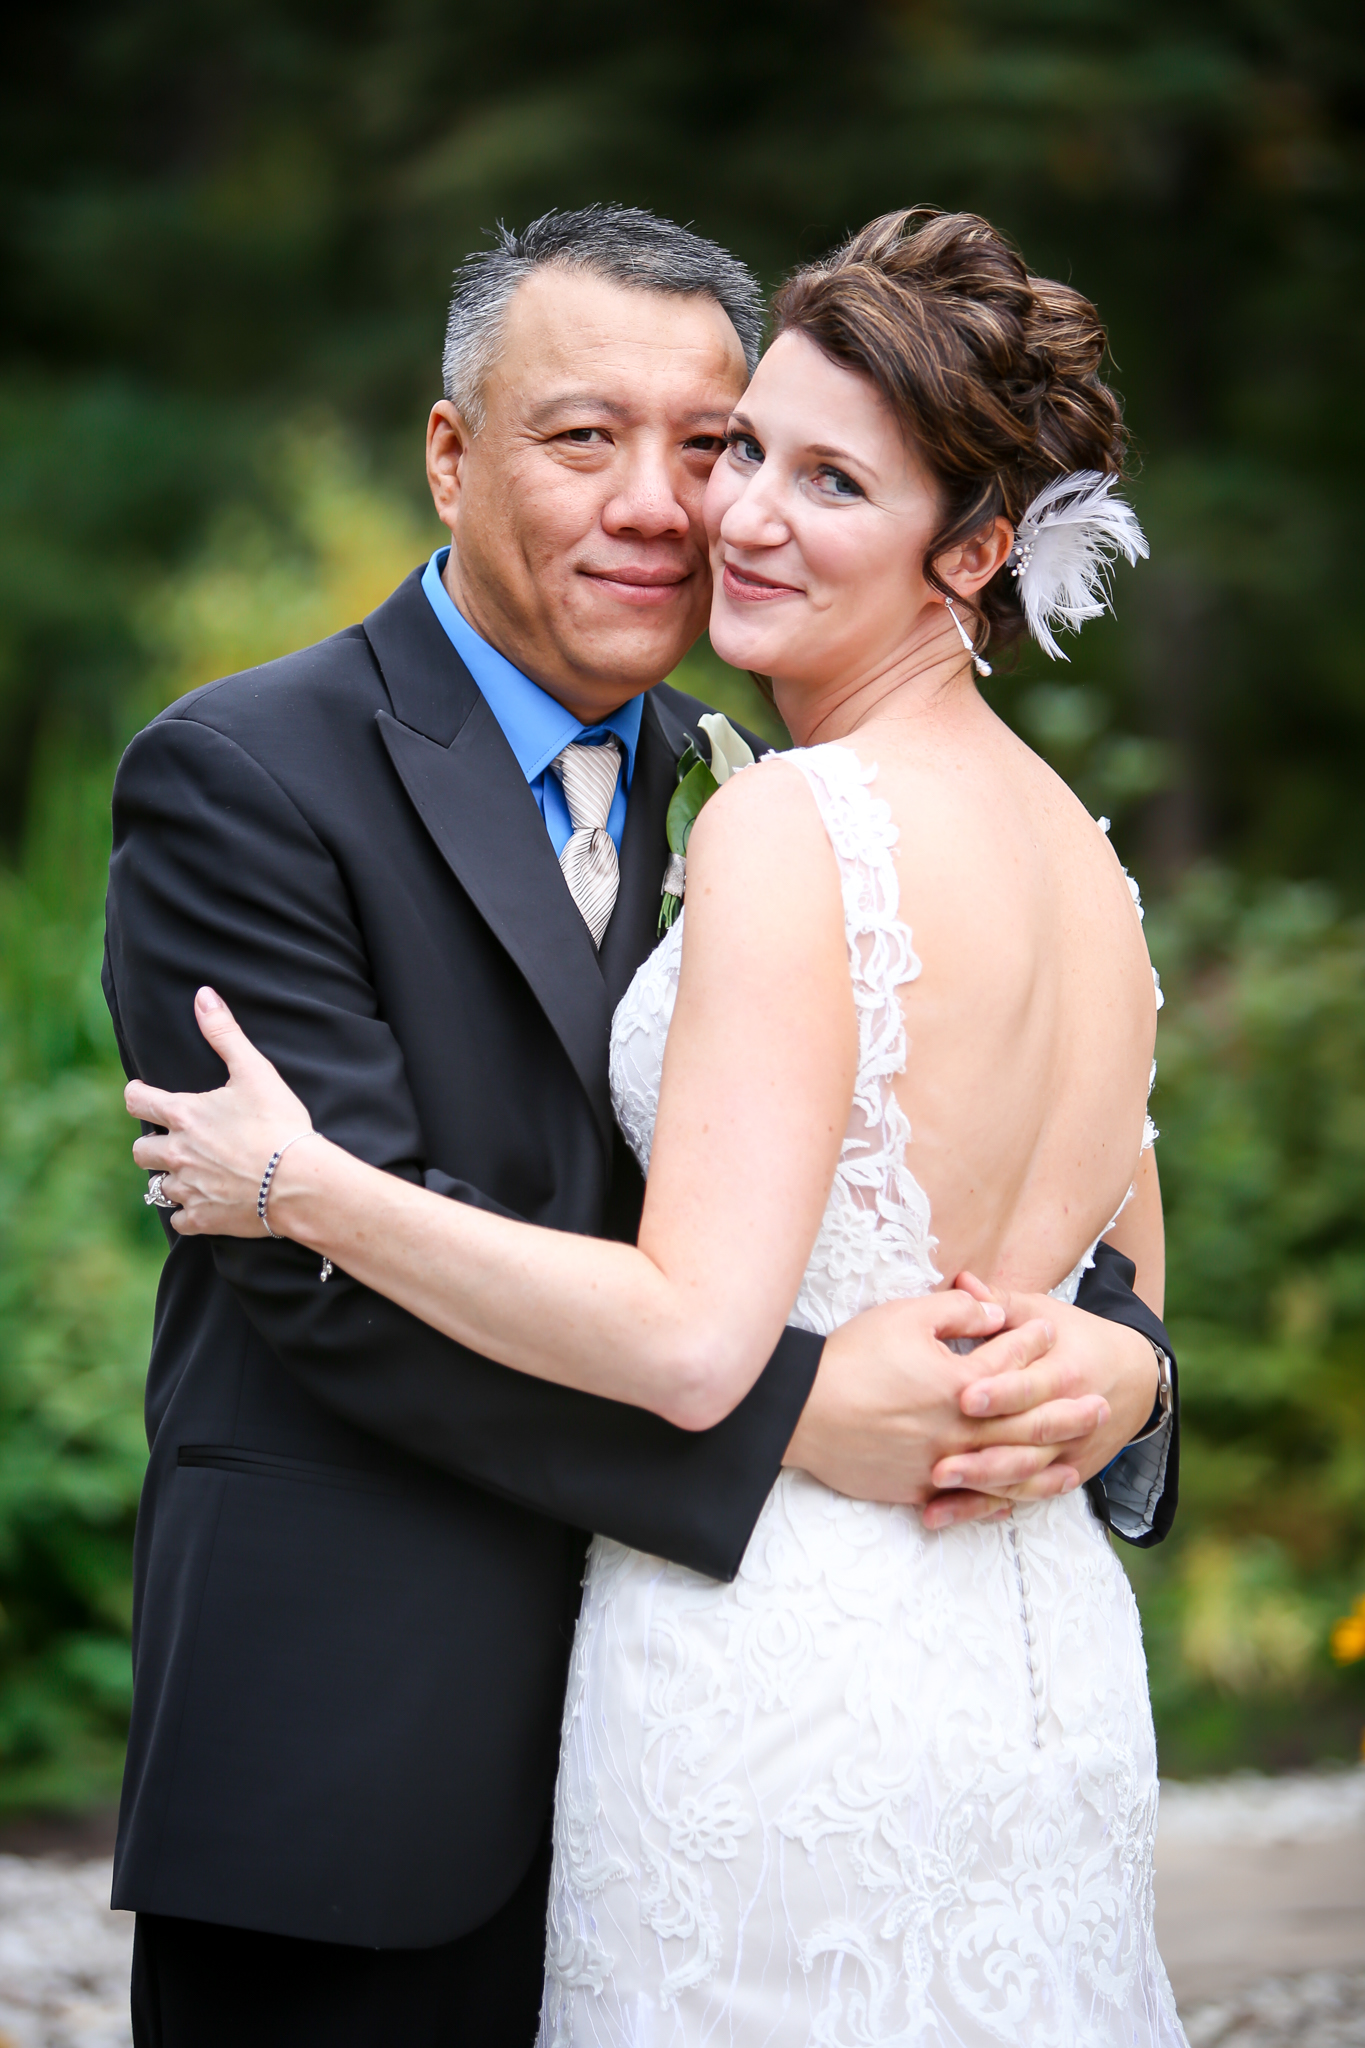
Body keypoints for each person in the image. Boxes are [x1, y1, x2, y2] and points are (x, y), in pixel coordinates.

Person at [108, 205, 1177, 2047]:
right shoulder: (243, 776)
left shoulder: (764, 789)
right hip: (378, 1747)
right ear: (451, 457)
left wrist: (1128, 1371)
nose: (678, 507)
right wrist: (800, 1415)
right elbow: (331, 1308)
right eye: (583, 438)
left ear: (965, 547)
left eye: (714, 443)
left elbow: (1073, 1254)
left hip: (756, 1710)